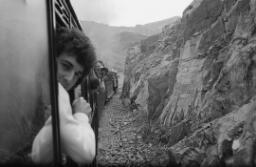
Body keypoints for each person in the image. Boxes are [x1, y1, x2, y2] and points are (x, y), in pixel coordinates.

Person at [30, 27, 96, 165]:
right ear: (49, 59)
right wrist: (81, 116)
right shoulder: (59, 94)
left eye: (78, 74)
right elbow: (85, 152)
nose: (69, 78)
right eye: (66, 66)